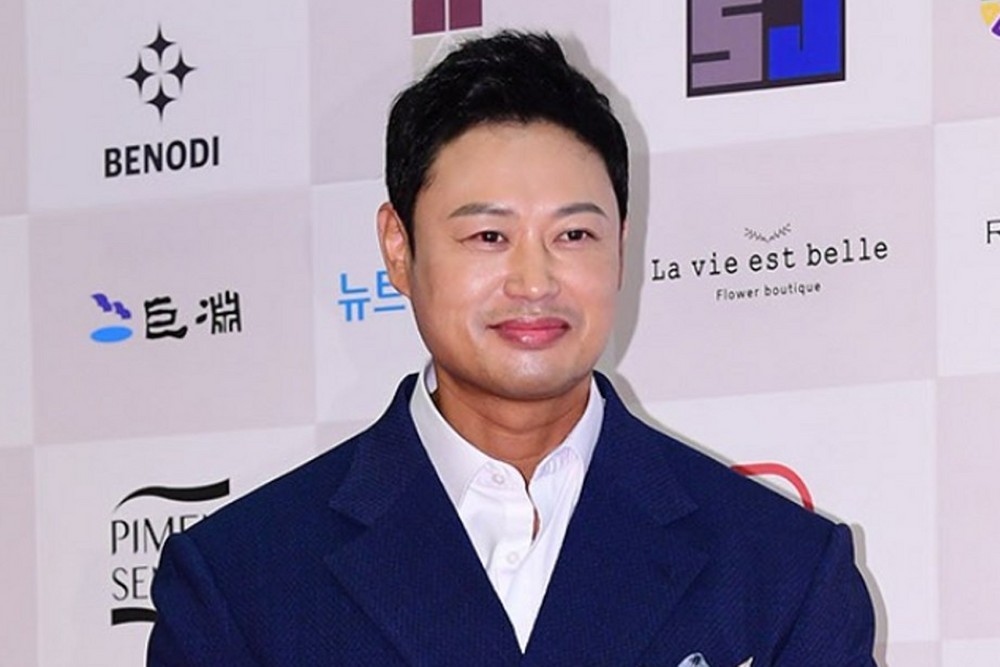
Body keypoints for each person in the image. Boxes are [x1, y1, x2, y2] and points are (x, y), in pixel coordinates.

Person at [147, 31, 876, 667]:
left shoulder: (781, 568)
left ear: (622, 247)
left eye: (574, 235)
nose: (534, 281)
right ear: (399, 247)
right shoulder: (243, 578)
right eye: (488, 236)